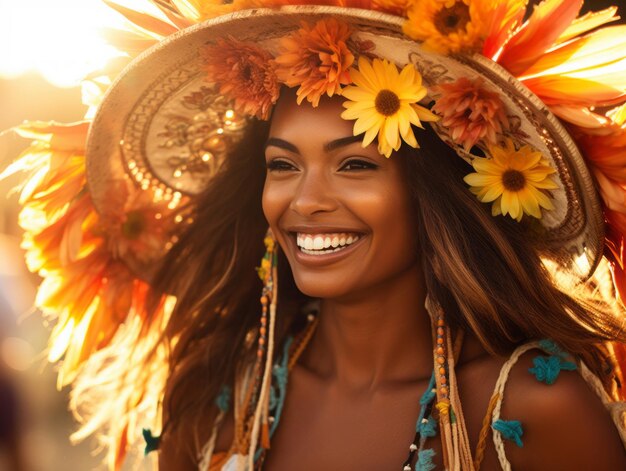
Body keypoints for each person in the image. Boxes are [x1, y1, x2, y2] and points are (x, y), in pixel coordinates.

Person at [4, 1, 626, 470]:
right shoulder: (218, 394)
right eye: (282, 165)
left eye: (354, 164)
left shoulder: (531, 407)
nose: (305, 201)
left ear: (439, 195)